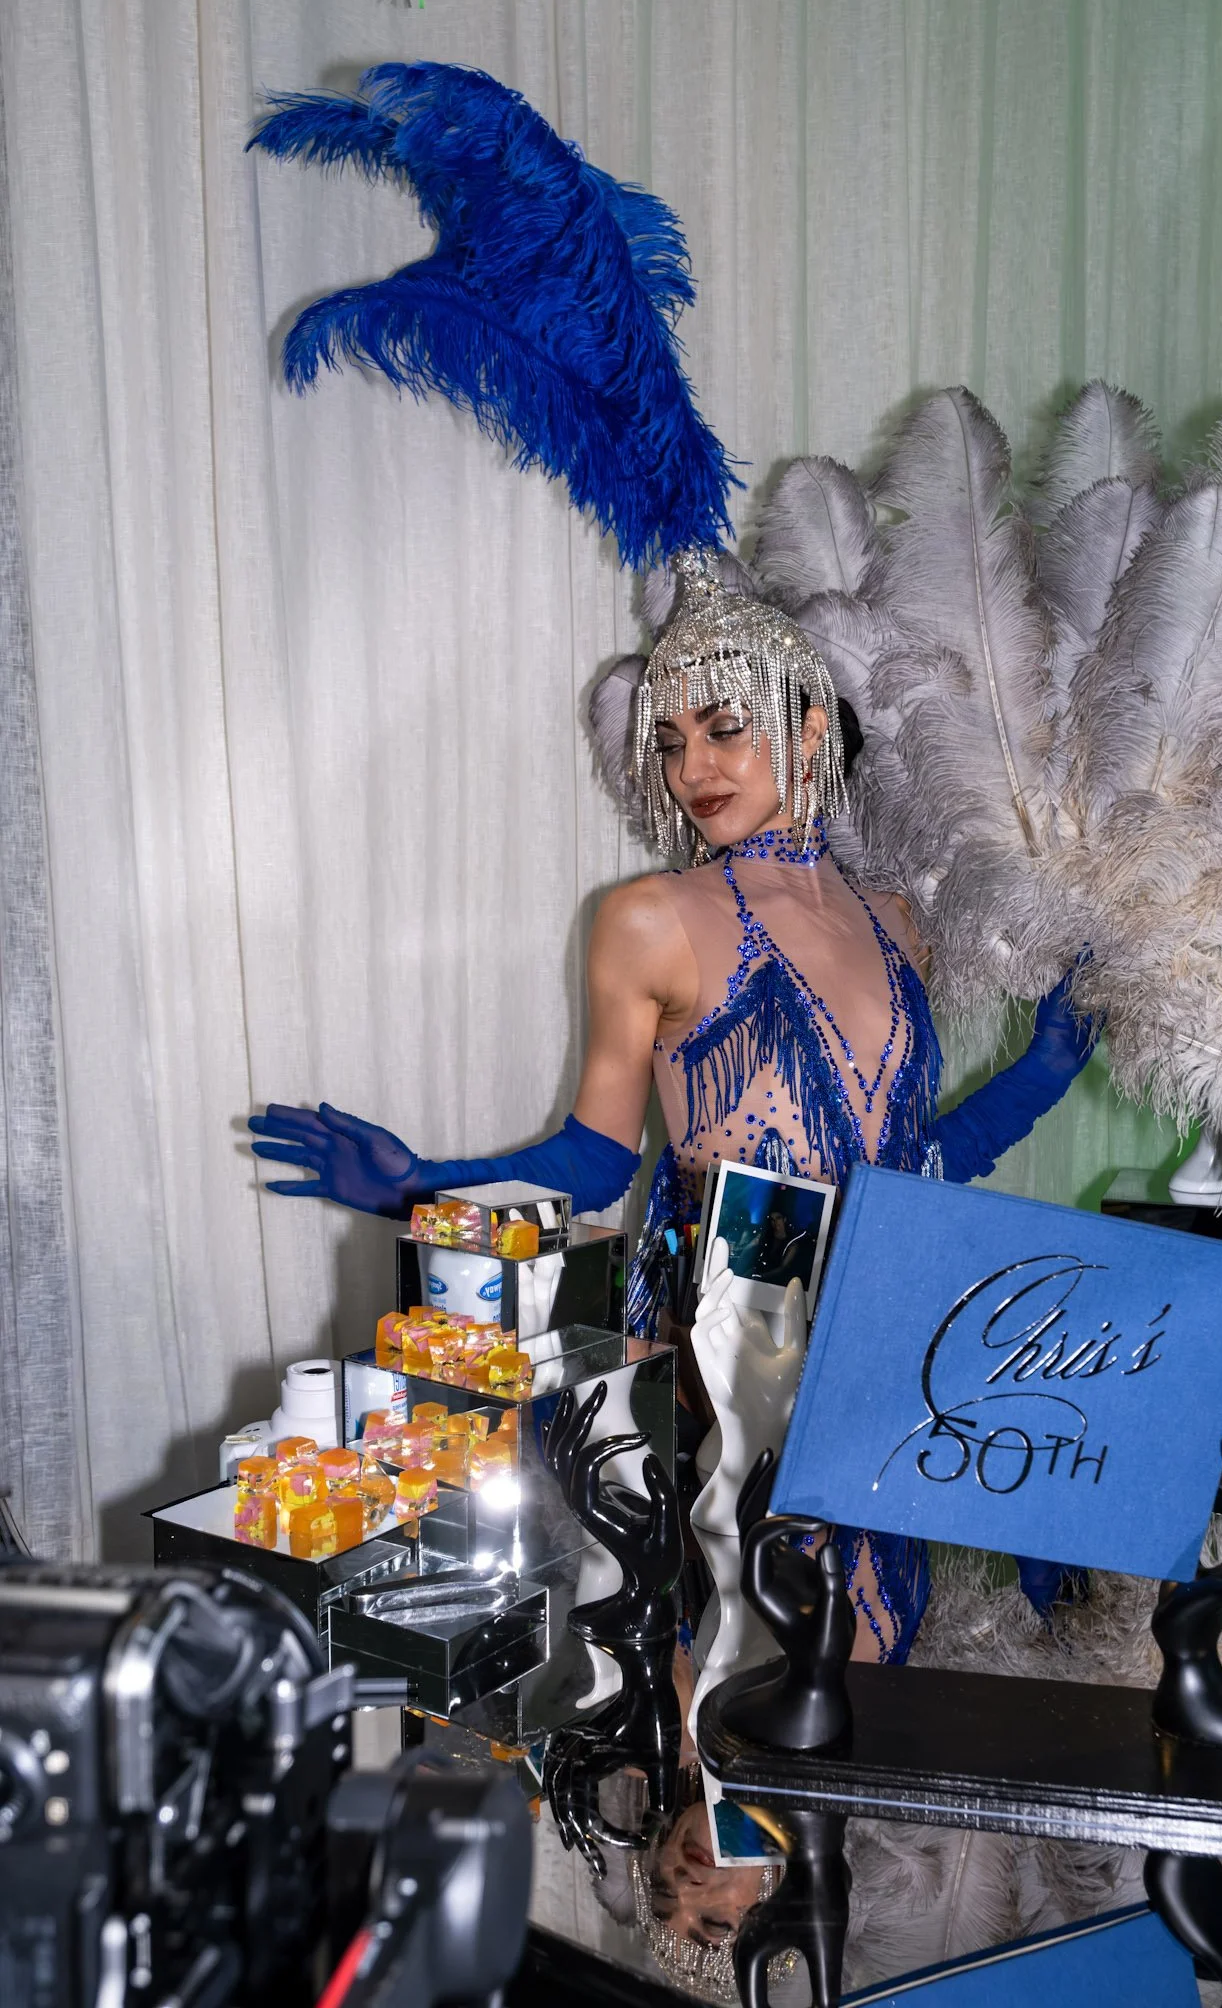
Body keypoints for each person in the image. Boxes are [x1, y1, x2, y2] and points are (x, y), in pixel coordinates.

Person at [250, 555, 1095, 1654]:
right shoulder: (650, 917)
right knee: (759, 1649)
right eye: (670, 740)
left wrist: (1045, 1069)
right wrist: (416, 1186)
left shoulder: (898, 923)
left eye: (723, 728)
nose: (694, 766)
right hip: (743, 1309)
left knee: (885, 1632)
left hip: (895, 1299)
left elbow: (912, 1156)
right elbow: (596, 1160)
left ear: (807, 730)